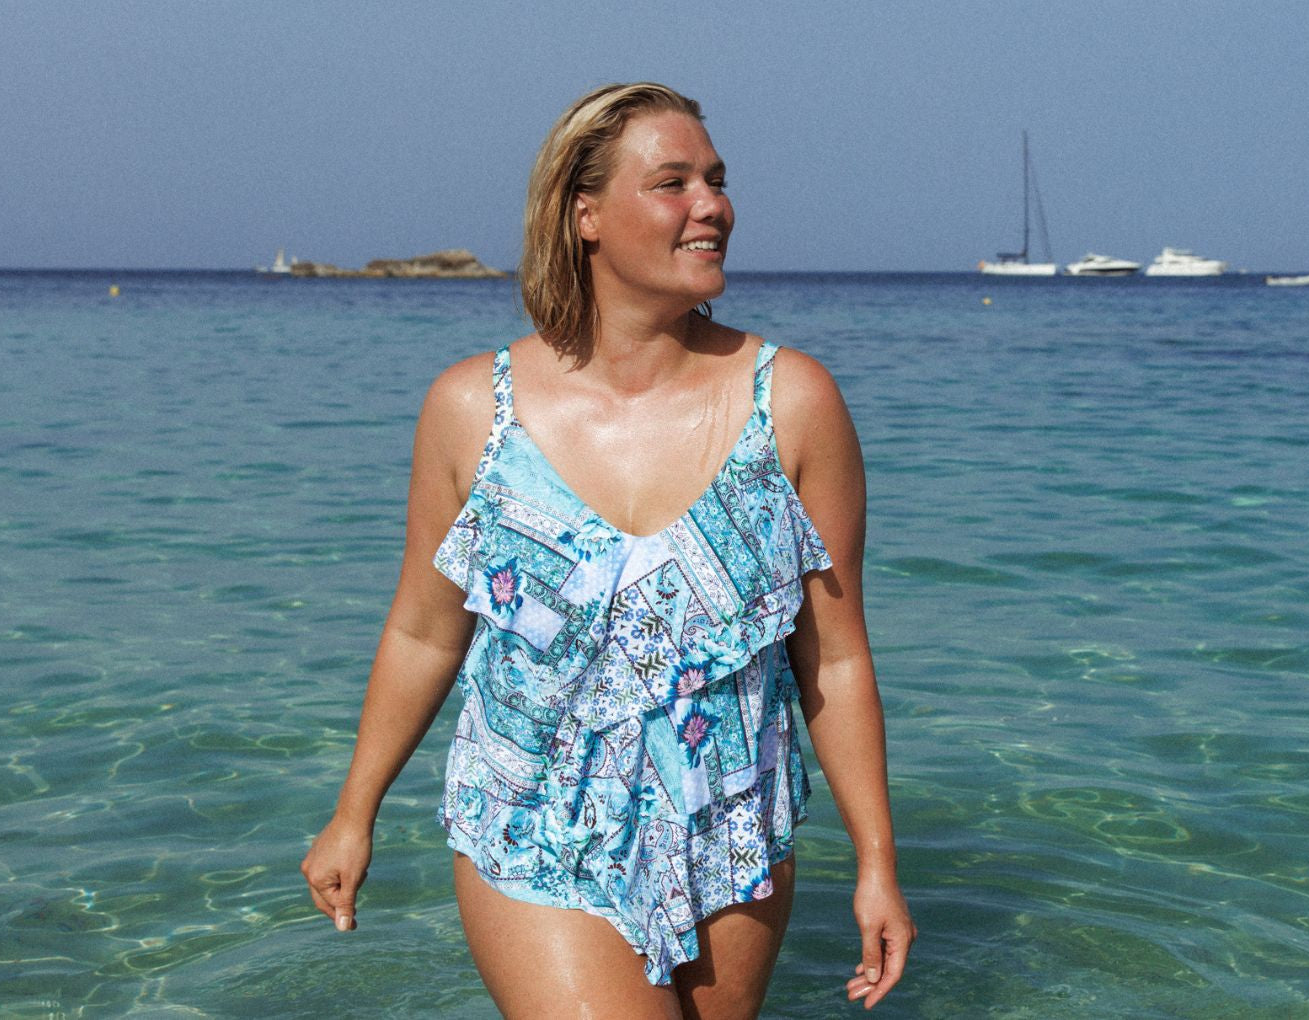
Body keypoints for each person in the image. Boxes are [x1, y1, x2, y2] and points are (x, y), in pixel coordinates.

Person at [300, 81, 914, 1018]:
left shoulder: (793, 404)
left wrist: (876, 865)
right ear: (584, 214)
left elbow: (832, 653)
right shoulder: (473, 410)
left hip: (730, 832)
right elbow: (426, 634)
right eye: (673, 182)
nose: (711, 205)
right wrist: (355, 812)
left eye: (716, 180)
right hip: (532, 824)